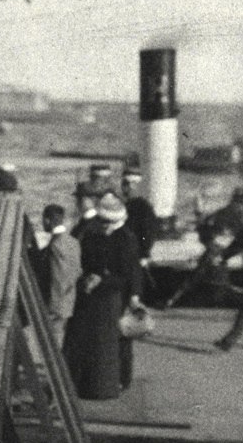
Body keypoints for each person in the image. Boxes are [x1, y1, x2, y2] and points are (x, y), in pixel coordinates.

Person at [64, 192, 143, 400]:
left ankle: (118, 381)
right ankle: (84, 383)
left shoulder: (126, 239)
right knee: (90, 342)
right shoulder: (92, 234)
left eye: (108, 222)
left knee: (117, 342)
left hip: (115, 296)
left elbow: (129, 273)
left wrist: (132, 297)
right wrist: (88, 278)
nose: (104, 226)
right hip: (94, 296)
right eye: (101, 221)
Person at [214, 179, 243, 351]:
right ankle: (229, 340)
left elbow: (241, 242)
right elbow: (240, 242)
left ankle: (229, 340)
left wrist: (224, 256)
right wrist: (224, 257)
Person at [31, 203, 81, 350]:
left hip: (56, 303)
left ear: (47, 220)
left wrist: (52, 306)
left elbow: (58, 276)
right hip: (69, 299)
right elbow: (76, 270)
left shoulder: (55, 245)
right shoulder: (73, 242)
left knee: (51, 343)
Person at [120, 165, 159, 304]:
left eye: (128, 184)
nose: (125, 188)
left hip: (135, 254)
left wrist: (144, 252)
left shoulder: (142, 208)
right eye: (124, 184)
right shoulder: (125, 205)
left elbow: (147, 232)